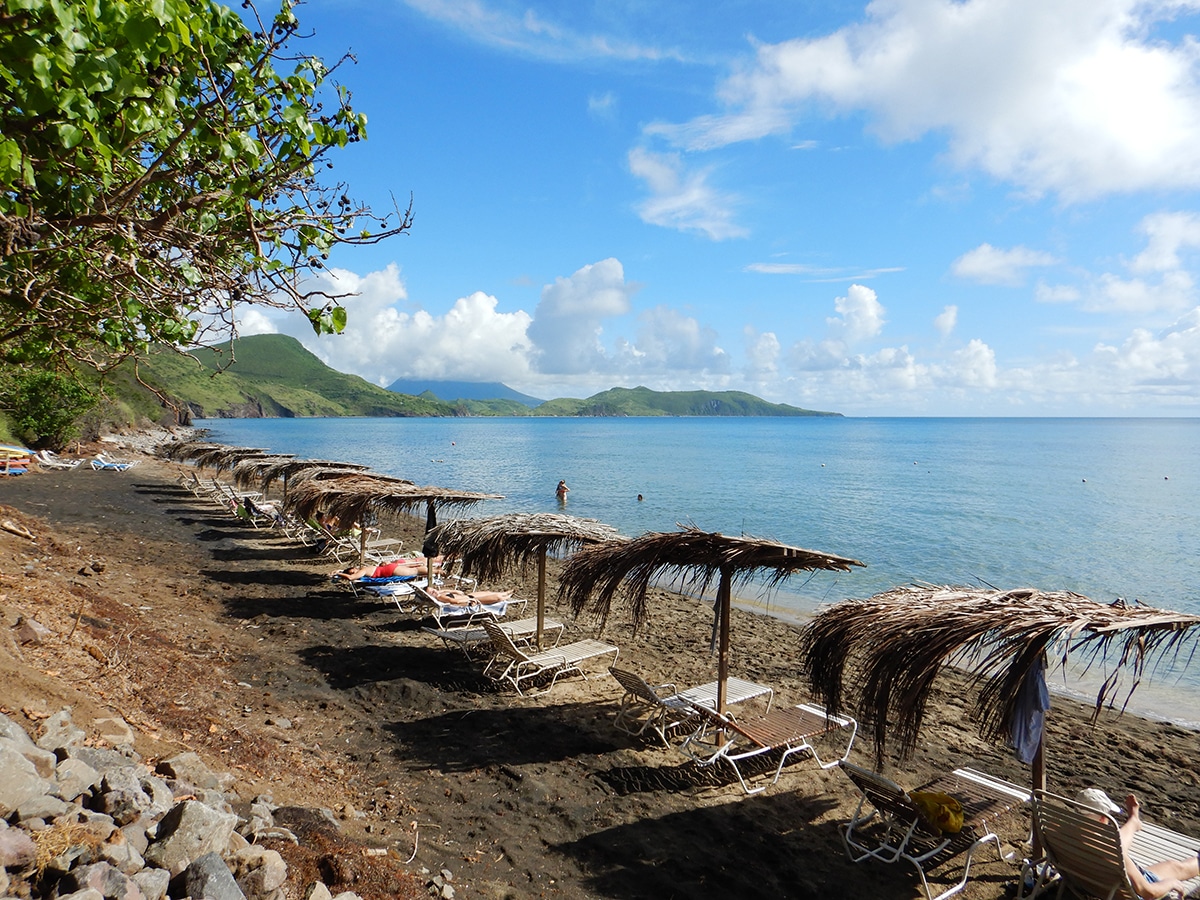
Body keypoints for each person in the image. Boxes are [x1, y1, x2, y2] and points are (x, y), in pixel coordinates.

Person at [1076, 788, 1200, 899]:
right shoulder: (1111, 851)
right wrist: (1171, 883)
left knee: (1115, 845)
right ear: (1103, 819)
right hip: (1120, 892)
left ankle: (1133, 821)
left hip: (1088, 882)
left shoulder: (1061, 832)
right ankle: (1134, 821)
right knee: (1174, 866)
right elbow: (1147, 892)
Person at [333, 556, 444, 581]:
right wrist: (340, 573)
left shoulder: (363, 570)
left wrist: (339, 574)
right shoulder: (364, 569)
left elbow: (352, 578)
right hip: (389, 568)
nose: (355, 571)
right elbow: (351, 576)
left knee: (415, 570)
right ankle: (436, 570)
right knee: (416, 568)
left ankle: (438, 571)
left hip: (390, 570)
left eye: (353, 570)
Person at [426, 586, 513, 607]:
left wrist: (452, 591)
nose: (434, 591)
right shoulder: (441, 597)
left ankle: (505, 592)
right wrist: (467, 602)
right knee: (497, 597)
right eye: (432, 592)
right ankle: (506, 597)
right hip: (471, 600)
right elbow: (454, 602)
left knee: (487, 592)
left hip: (468, 596)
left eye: (433, 589)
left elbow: (454, 592)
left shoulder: (440, 593)